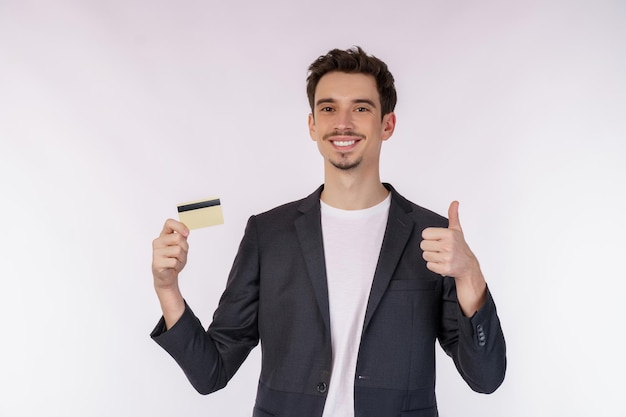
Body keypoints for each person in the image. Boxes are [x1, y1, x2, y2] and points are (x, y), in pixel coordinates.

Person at [151, 46, 506, 417]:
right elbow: (211, 373)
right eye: (328, 108)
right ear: (312, 125)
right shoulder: (267, 234)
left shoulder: (432, 236)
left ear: (387, 124)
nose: (343, 122)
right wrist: (167, 289)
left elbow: (486, 377)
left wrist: (470, 274)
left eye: (361, 108)